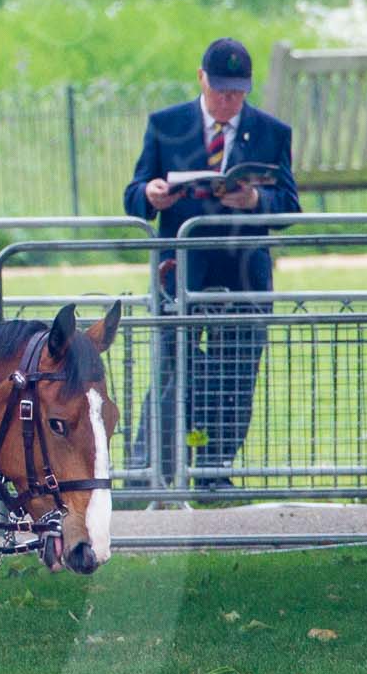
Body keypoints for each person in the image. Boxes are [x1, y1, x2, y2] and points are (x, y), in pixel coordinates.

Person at [122, 38, 300, 487]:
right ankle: (150, 467)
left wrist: (256, 198)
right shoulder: (167, 125)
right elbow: (135, 192)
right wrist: (150, 194)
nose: (228, 101)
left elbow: (289, 205)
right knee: (172, 365)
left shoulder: (270, 132)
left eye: (237, 92)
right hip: (182, 271)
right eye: (221, 90)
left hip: (244, 273)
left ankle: (214, 469)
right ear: (201, 78)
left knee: (236, 370)